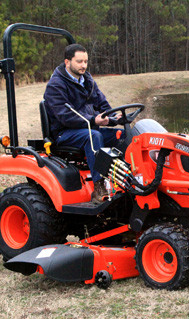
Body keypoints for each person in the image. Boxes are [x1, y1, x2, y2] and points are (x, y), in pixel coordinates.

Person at [44, 44, 122, 203]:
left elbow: (103, 104)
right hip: (64, 133)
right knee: (93, 136)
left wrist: (114, 116)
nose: (84, 65)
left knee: (122, 136)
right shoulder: (56, 85)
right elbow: (66, 116)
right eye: (79, 61)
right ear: (67, 62)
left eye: (85, 61)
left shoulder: (88, 81)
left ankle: (128, 179)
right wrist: (93, 120)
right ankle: (99, 187)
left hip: (88, 129)